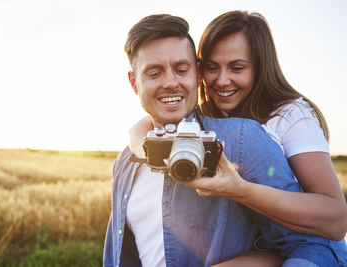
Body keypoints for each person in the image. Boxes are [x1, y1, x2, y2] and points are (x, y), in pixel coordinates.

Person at [104, 14, 346, 267]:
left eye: (181, 69)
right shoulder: (126, 160)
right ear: (134, 82)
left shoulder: (260, 129)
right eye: (154, 73)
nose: (171, 83)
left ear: (195, 74)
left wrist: (239, 189)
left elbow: (317, 239)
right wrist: (141, 140)